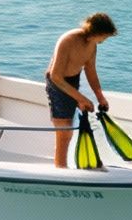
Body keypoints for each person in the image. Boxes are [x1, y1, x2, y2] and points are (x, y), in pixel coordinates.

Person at [45, 13, 116, 168]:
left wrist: (100, 97)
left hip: (73, 80)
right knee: (64, 132)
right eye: (104, 37)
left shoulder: (93, 45)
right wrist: (81, 98)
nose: (104, 40)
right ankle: (60, 169)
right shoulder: (68, 40)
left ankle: (63, 165)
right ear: (95, 32)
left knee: (70, 128)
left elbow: (91, 71)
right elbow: (55, 75)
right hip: (58, 83)